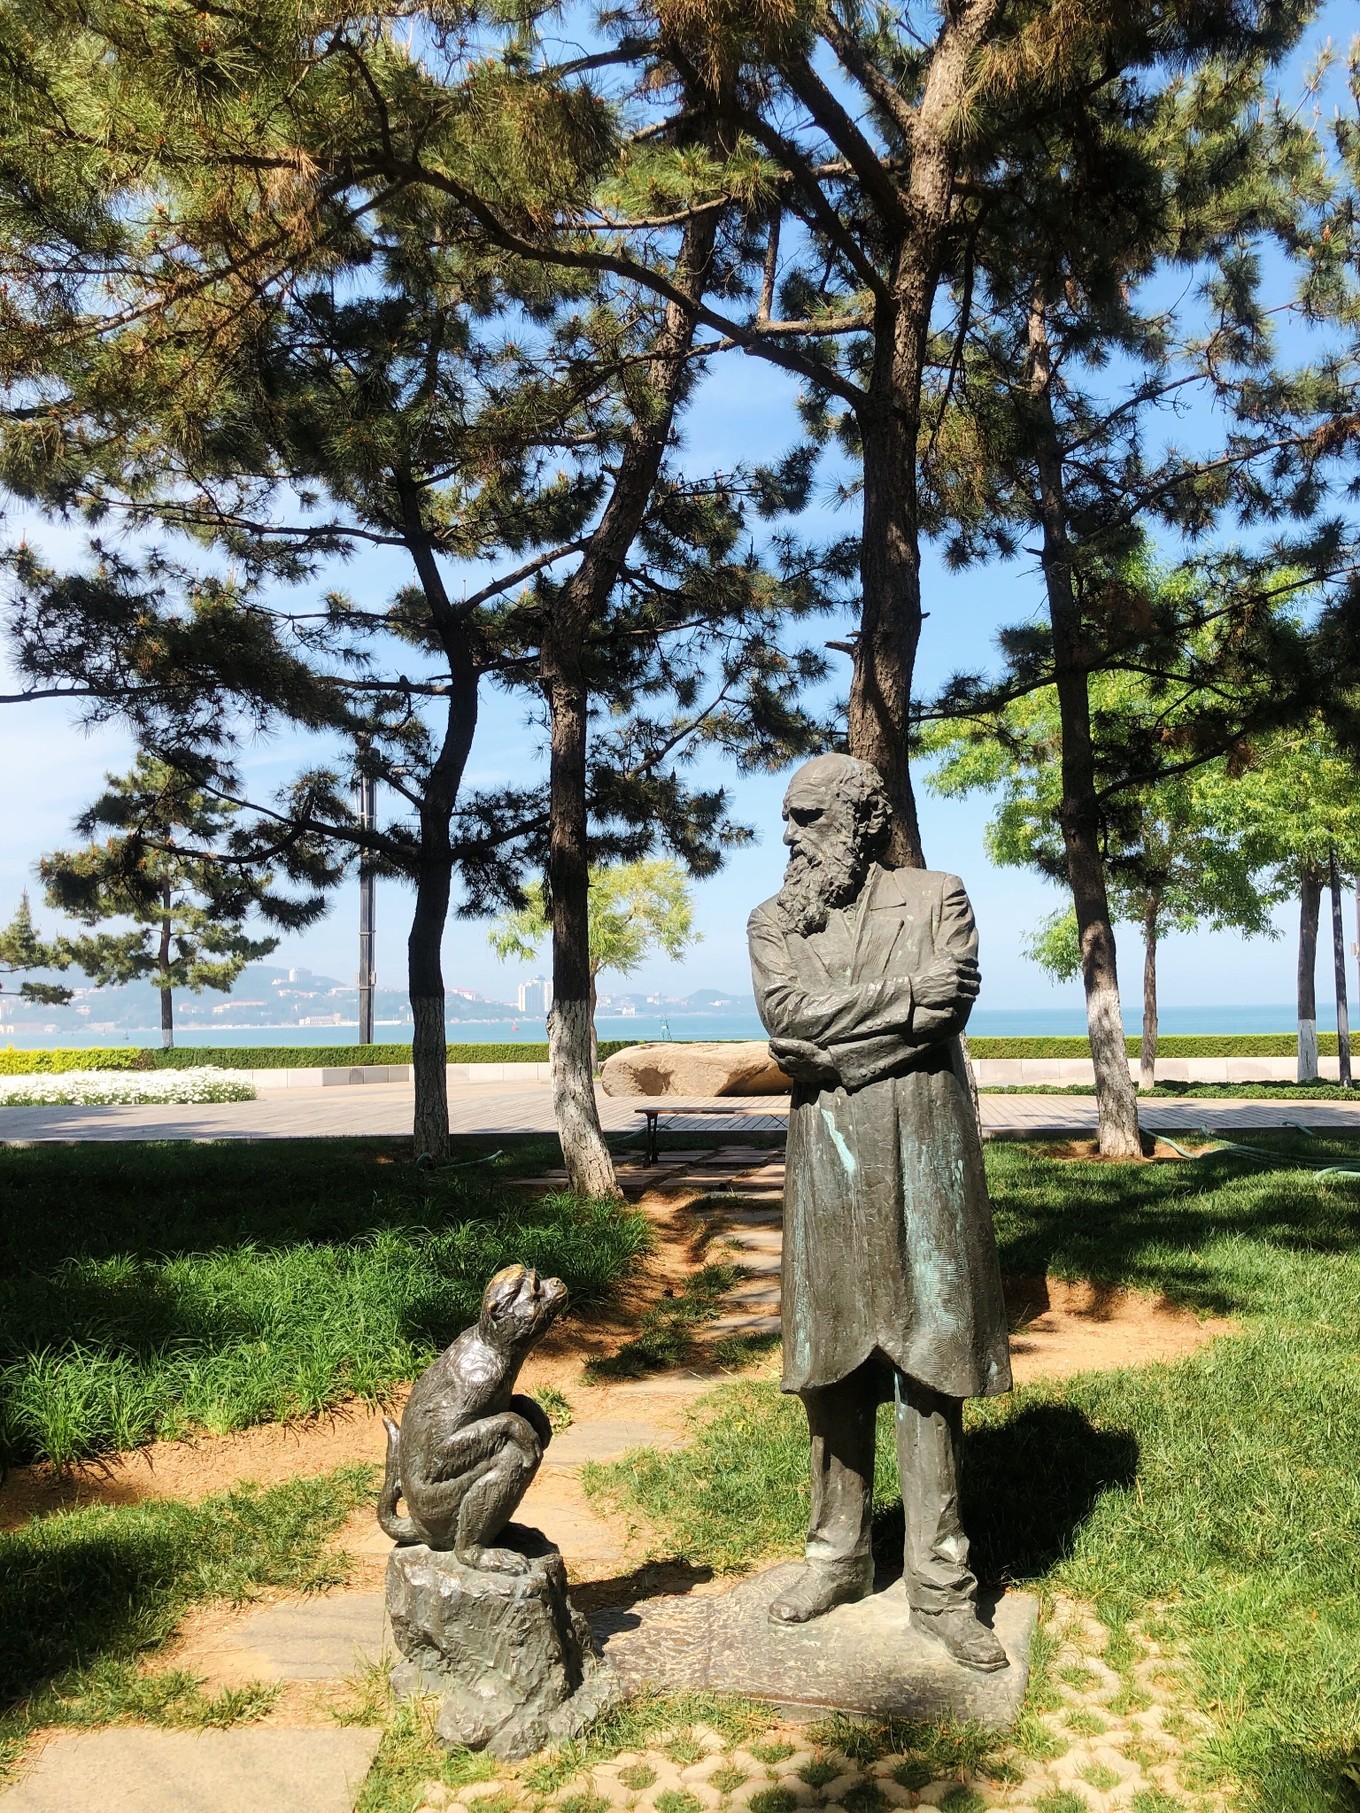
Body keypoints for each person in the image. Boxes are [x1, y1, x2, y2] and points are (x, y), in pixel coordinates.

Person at [746, 752, 1012, 1671]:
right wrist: (897, 1009)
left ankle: (941, 1584)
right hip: (828, 1158)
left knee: (928, 1359)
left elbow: (949, 1005)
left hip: (924, 1151)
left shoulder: (939, 897)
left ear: (863, 820)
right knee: (831, 1360)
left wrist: (837, 1046)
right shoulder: (773, 919)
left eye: (808, 815)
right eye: (788, 815)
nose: (790, 833)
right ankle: (838, 1555)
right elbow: (787, 1019)